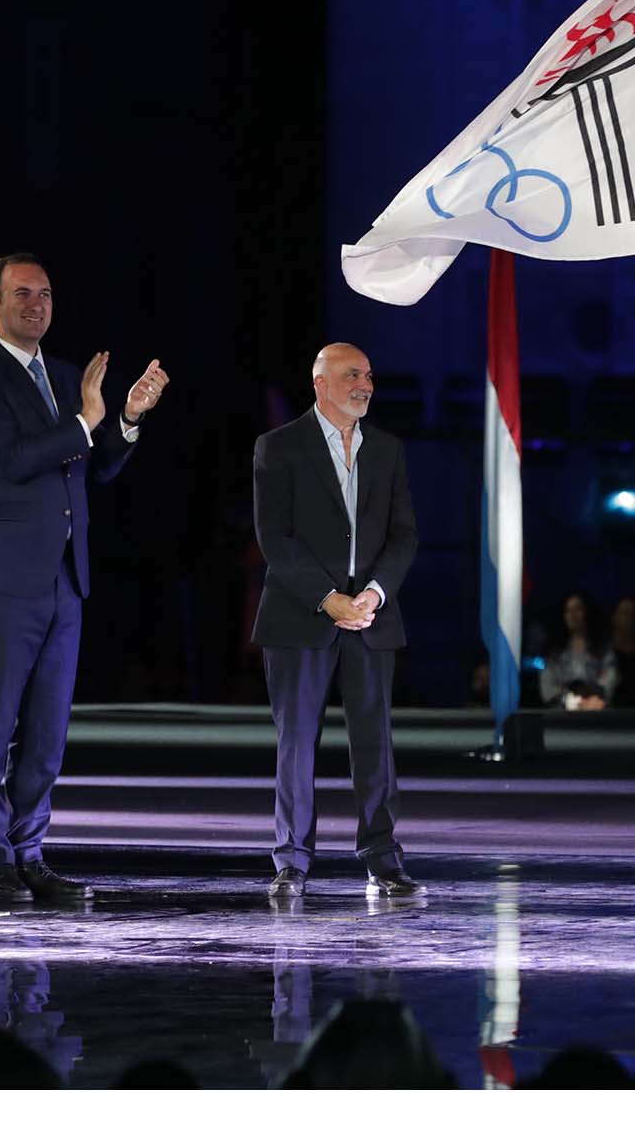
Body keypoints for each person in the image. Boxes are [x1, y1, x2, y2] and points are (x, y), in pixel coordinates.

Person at [0, 253, 167, 904]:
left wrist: (124, 417)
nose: (36, 304)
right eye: (21, 294)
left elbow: (94, 467)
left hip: (64, 581)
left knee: (45, 735)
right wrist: (84, 422)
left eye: (44, 293)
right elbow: (3, 463)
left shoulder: (70, 377)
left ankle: (29, 854)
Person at [251, 343, 420, 902]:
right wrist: (329, 598)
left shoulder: (388, 450)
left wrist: (372, 594)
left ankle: (383, 861)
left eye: (369, 375)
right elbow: (275, 538)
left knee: (375, 744)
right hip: (301, 618)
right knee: (297, 744)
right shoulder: (278, 447)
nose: (364, 384)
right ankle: (292, 862)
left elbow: (404, 536)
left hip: (371, 618)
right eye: (352, 375)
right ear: (319, 382)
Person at [541, 591, 613, 706]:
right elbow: (548, 691)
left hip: (597, 715)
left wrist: (593, 701)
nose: (573, 615)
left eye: (578, 609)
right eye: (568, 610)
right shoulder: (554, 653)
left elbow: (609, 683)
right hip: (561, 718)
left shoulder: (603, 649)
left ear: (587, 612)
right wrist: (574, 702)